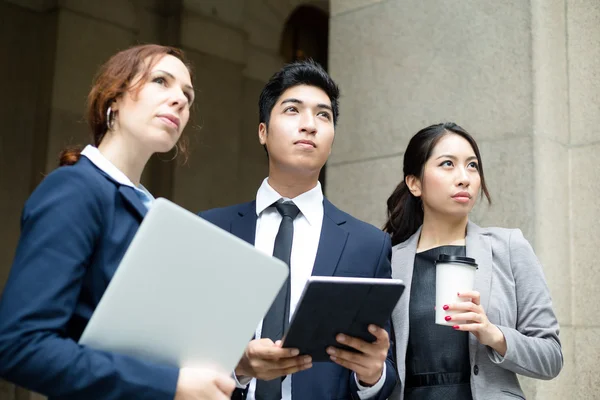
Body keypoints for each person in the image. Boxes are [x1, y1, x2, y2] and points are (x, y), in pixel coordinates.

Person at [0, 44, 235, 400]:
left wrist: (235, 361)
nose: (180, 100)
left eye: (187, 94)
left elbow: (143, 347)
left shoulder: (151, 210)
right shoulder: (75, 189)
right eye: (161, 81)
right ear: (114, 99)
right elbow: (21, 346)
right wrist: (171, 386)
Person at [199, 60, 397, 400]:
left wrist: (373, 375)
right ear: (263, 131)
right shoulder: (210, 231)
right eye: (293, 110)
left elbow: (383, 368)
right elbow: (182, 352)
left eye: (323, 115)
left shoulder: (368, 244)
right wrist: (239, 366)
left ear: (332, 140)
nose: (310, 125)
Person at [384, 122, 563, 400]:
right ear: (414, 183)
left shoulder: (508, 247)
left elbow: (551, 357)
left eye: (472, 166)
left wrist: (494, 335)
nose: (464, 177)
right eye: (447, 164)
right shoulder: (390, 261)